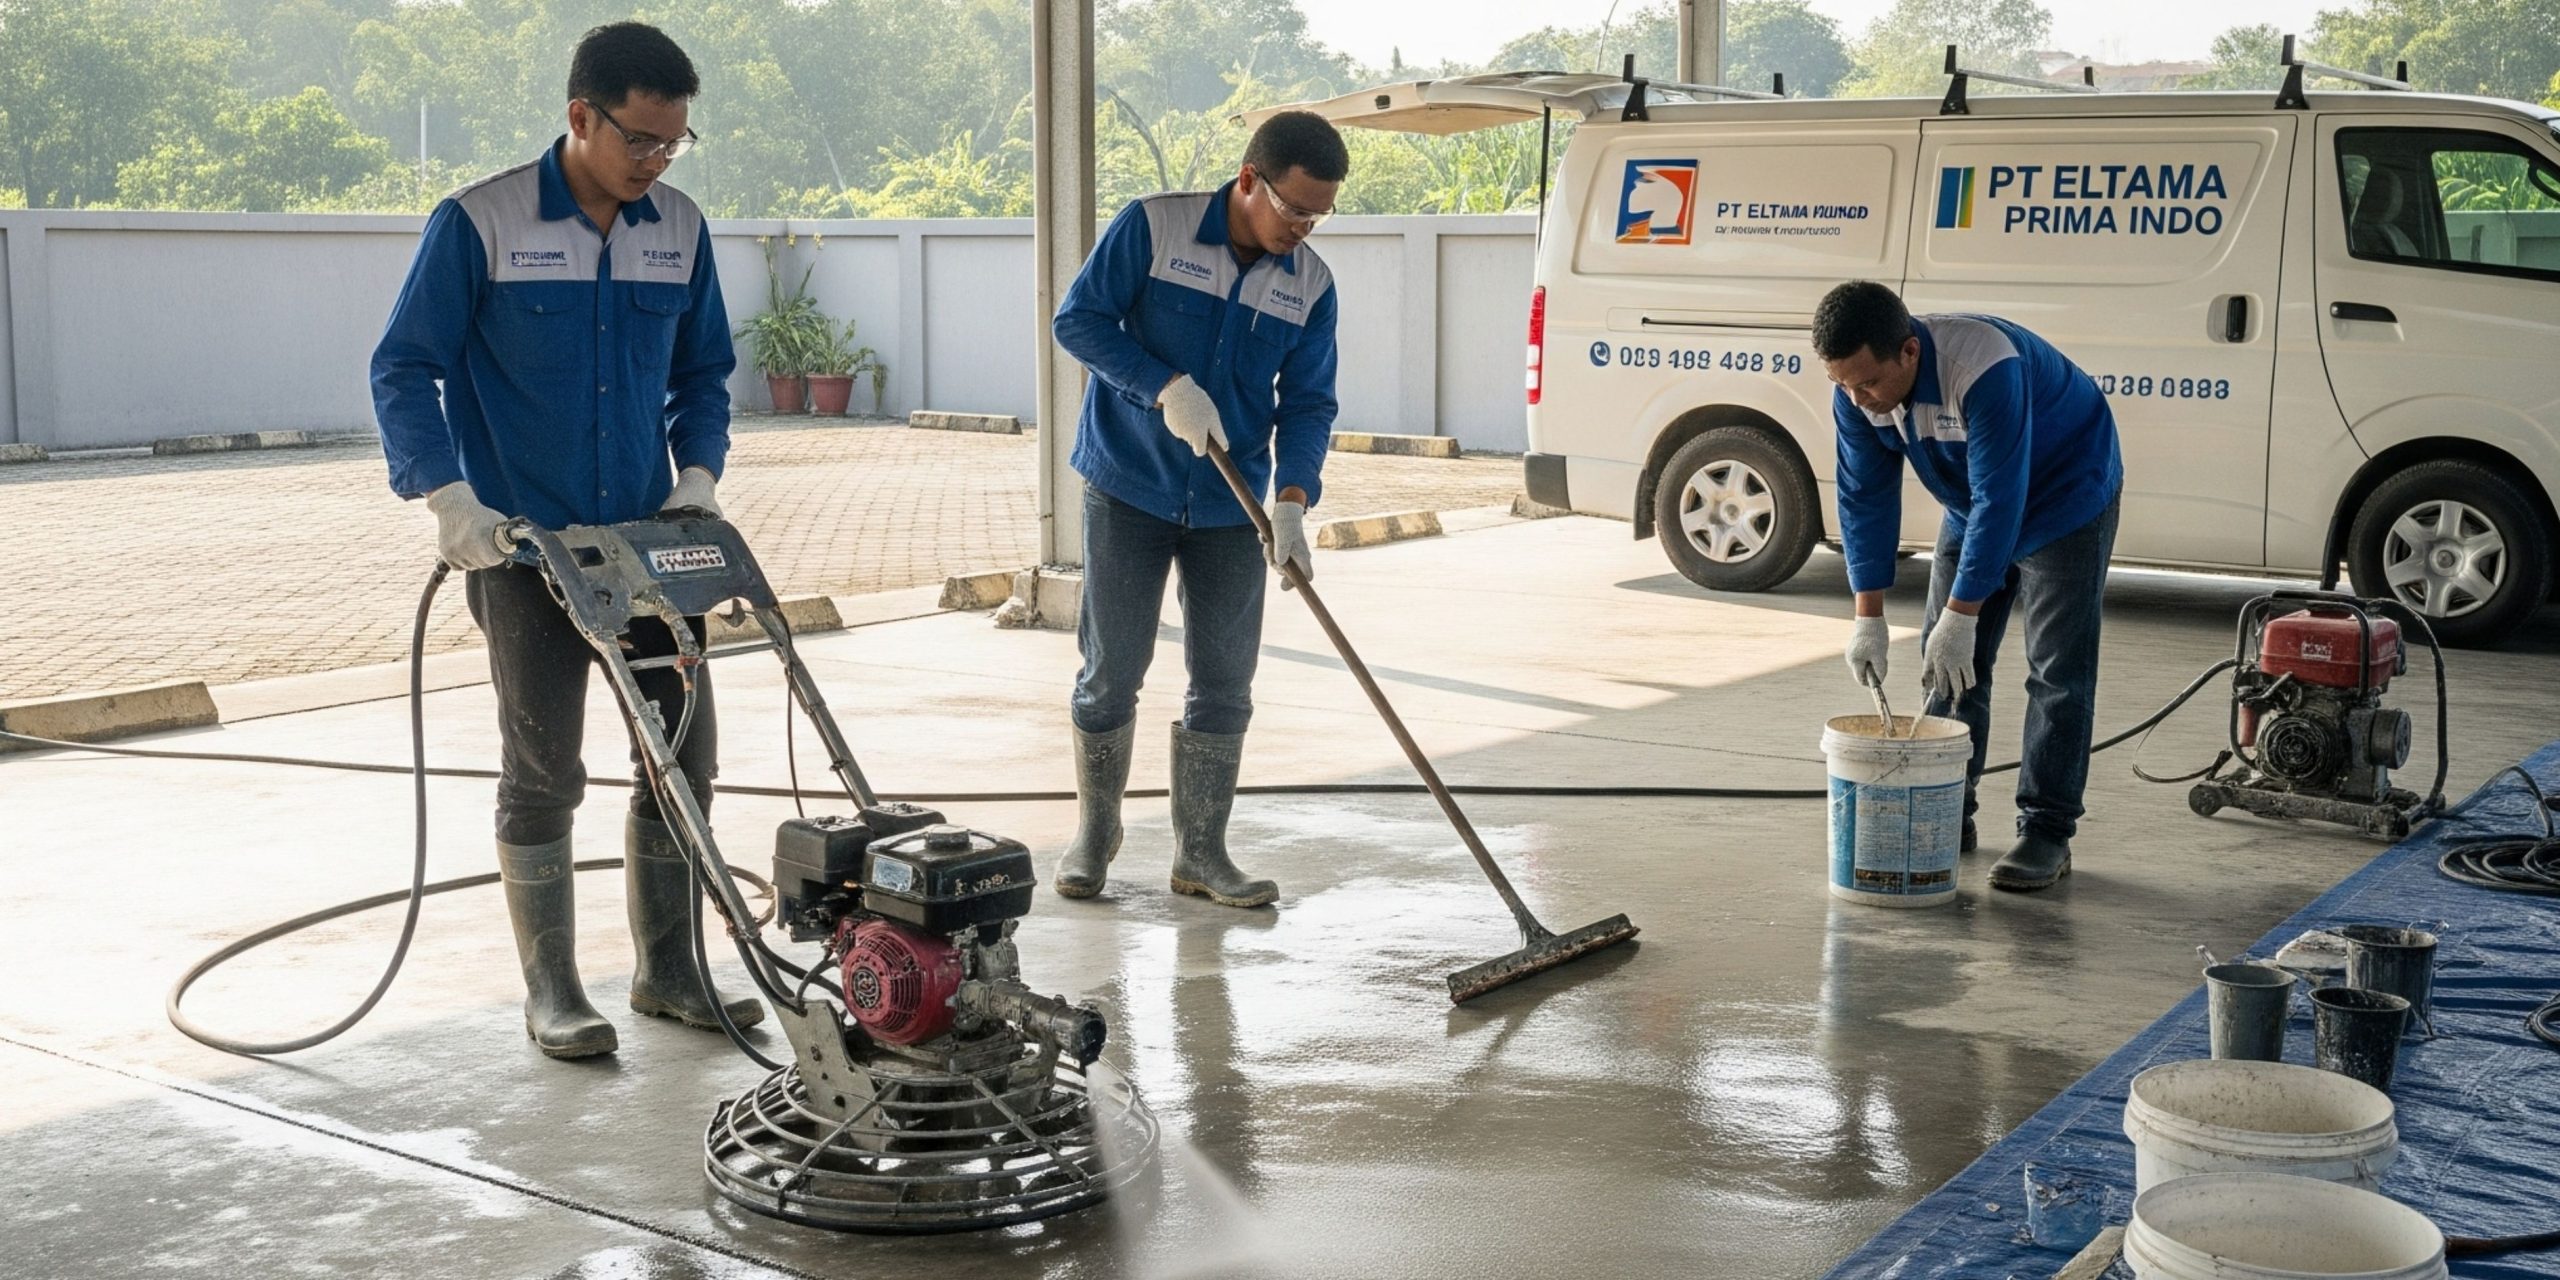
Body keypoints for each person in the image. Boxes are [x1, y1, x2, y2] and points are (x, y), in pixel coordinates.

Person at [370, 21, 757, 1057]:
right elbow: (404, 367)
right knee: (544, 767)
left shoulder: (677, 227)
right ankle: (552, 989)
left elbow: (701, 373)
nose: (656, 161)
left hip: (647, 543)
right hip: (523, 547)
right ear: (581, 115)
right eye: (640, 140)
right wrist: (450, 501)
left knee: (684, 758)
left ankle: (671, 970)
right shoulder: (479, 222)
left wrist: (698, 476)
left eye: (674, 143)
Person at [1046, 111, 1350, 908]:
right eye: (1292, 209)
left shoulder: (1311, 285)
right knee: (1112, 673)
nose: (1301, 228)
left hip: (1232, 504)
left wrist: (1291, 502)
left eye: (1317, 215)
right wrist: (1163, 386)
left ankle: (1203, 853)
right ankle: (1096, 833)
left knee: (1223, 683)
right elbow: (1077, 322)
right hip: (1128, 484)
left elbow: (1310, 403)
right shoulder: (1154, 227)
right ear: (1249, 179)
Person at [1815, 281, 2123, 892]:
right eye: (1843, 385)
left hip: (2065, 495)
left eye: (1868, 382)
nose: (1859, 399)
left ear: (1908, 352)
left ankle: (2046, 832)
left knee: (2056, 672)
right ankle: (1948, 805)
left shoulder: (1982, 366)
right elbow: (1863, 499)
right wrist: (1868, 616)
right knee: (1950, 668)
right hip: (1971, 499)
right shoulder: (1858, 394)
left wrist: (1962, 613)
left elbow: (2003, 497)